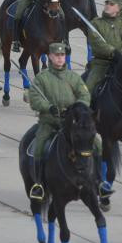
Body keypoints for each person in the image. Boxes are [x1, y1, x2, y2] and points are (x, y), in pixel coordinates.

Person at [27, 42, 91, 200]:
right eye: (57, 55)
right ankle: (39, 183)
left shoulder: (73, 77)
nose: (60, 58)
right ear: (50, 56)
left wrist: (76, 108)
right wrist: (49, 108)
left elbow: (85, 96)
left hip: (71, 123)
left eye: (62, 55)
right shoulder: (42, 78)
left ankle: (98, 182)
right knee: (39, 146)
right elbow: (34, 99)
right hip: (49, 122)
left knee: (95, 143)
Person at [84, 0, 122, 92]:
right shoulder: (95, 23)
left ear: (118, 8)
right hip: (101, 64)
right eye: (106, 3)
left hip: (121, 62)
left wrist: (121, 54)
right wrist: (112, 52)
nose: (108, 6)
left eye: (111, 4)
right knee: (88, 90)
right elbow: (96, 43)